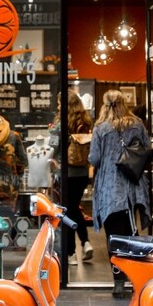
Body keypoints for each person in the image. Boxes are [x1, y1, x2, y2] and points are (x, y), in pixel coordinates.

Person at [88, 89, 151, 298]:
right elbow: (148, 150)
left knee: (113, 236)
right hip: (133, 186)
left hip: (109, 187)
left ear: (105, 105)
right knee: (132, 234)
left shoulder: (100, 128)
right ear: (125, 103)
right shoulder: (137, 124)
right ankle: (135, 278)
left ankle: (118, 282)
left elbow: (94, 159)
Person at [63, 90, 94, 265]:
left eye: (60, 102)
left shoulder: (64, 121)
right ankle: (86, 242)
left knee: (68, 210)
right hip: (82, 171)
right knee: (73, 208)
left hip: (68, 171)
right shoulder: (86, 120)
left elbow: (57, 144)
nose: (59, 106)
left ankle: (71, 252)